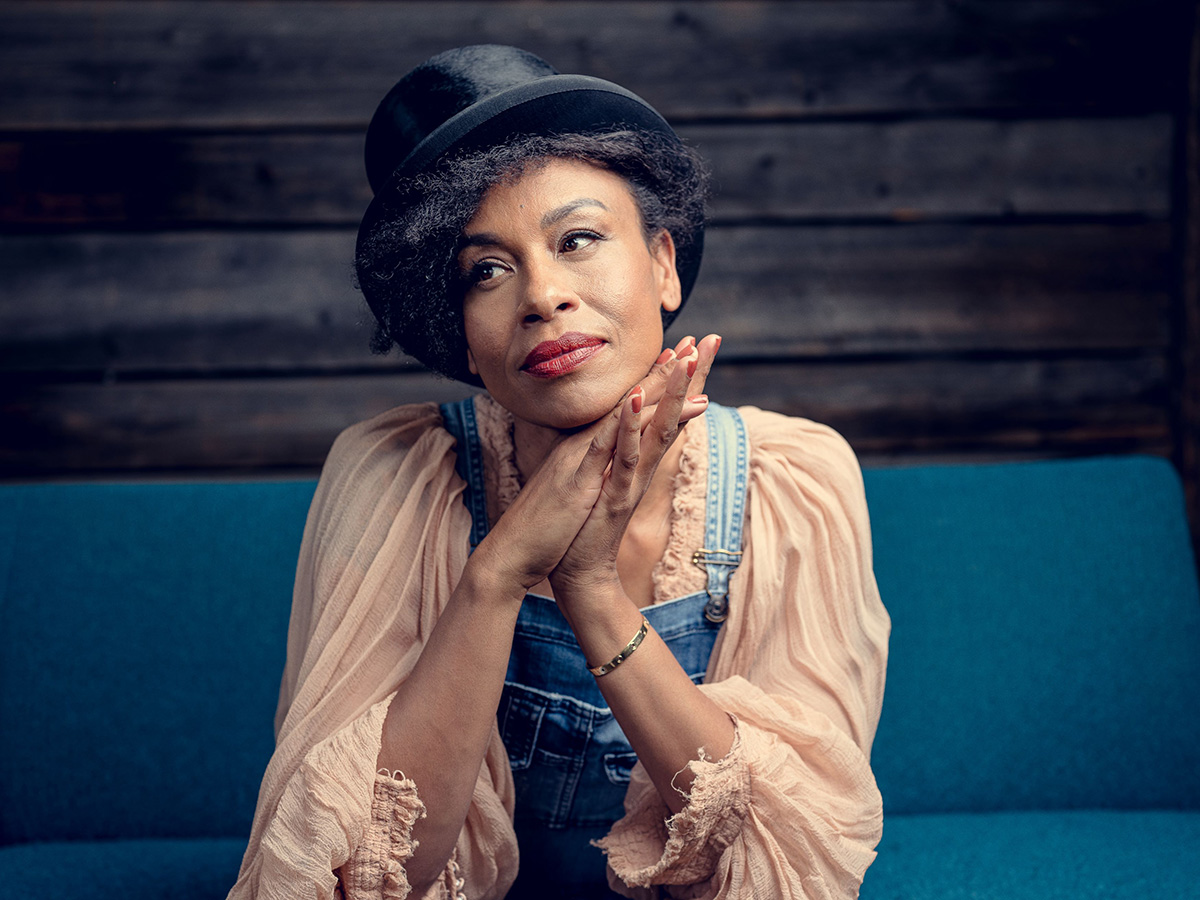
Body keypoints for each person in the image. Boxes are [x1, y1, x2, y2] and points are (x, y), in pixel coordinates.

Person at [228, 45, 890, 900]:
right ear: (460, 330)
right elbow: (359, 877)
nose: (543, 295)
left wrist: (589, 586)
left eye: (577, 239)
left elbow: (788, 861)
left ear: (662, 265)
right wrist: (500, 572)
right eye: (488, 271)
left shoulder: (793, 481)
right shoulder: (393, 476)